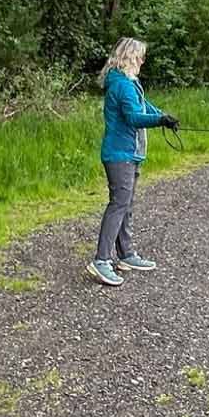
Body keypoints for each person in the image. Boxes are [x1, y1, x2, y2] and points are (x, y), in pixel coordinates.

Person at [89, 36, 175, 287]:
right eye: (140, 56)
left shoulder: (128, 82)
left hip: (130, 154)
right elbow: (134, 117)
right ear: (130, 57)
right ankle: (101, 261)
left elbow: (144, 106)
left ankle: (126, 255)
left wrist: (163, 116)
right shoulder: (122, 85)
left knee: (125, 205)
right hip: (120, 155)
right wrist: (159, 121)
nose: (142, 61)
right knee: (118, 204)